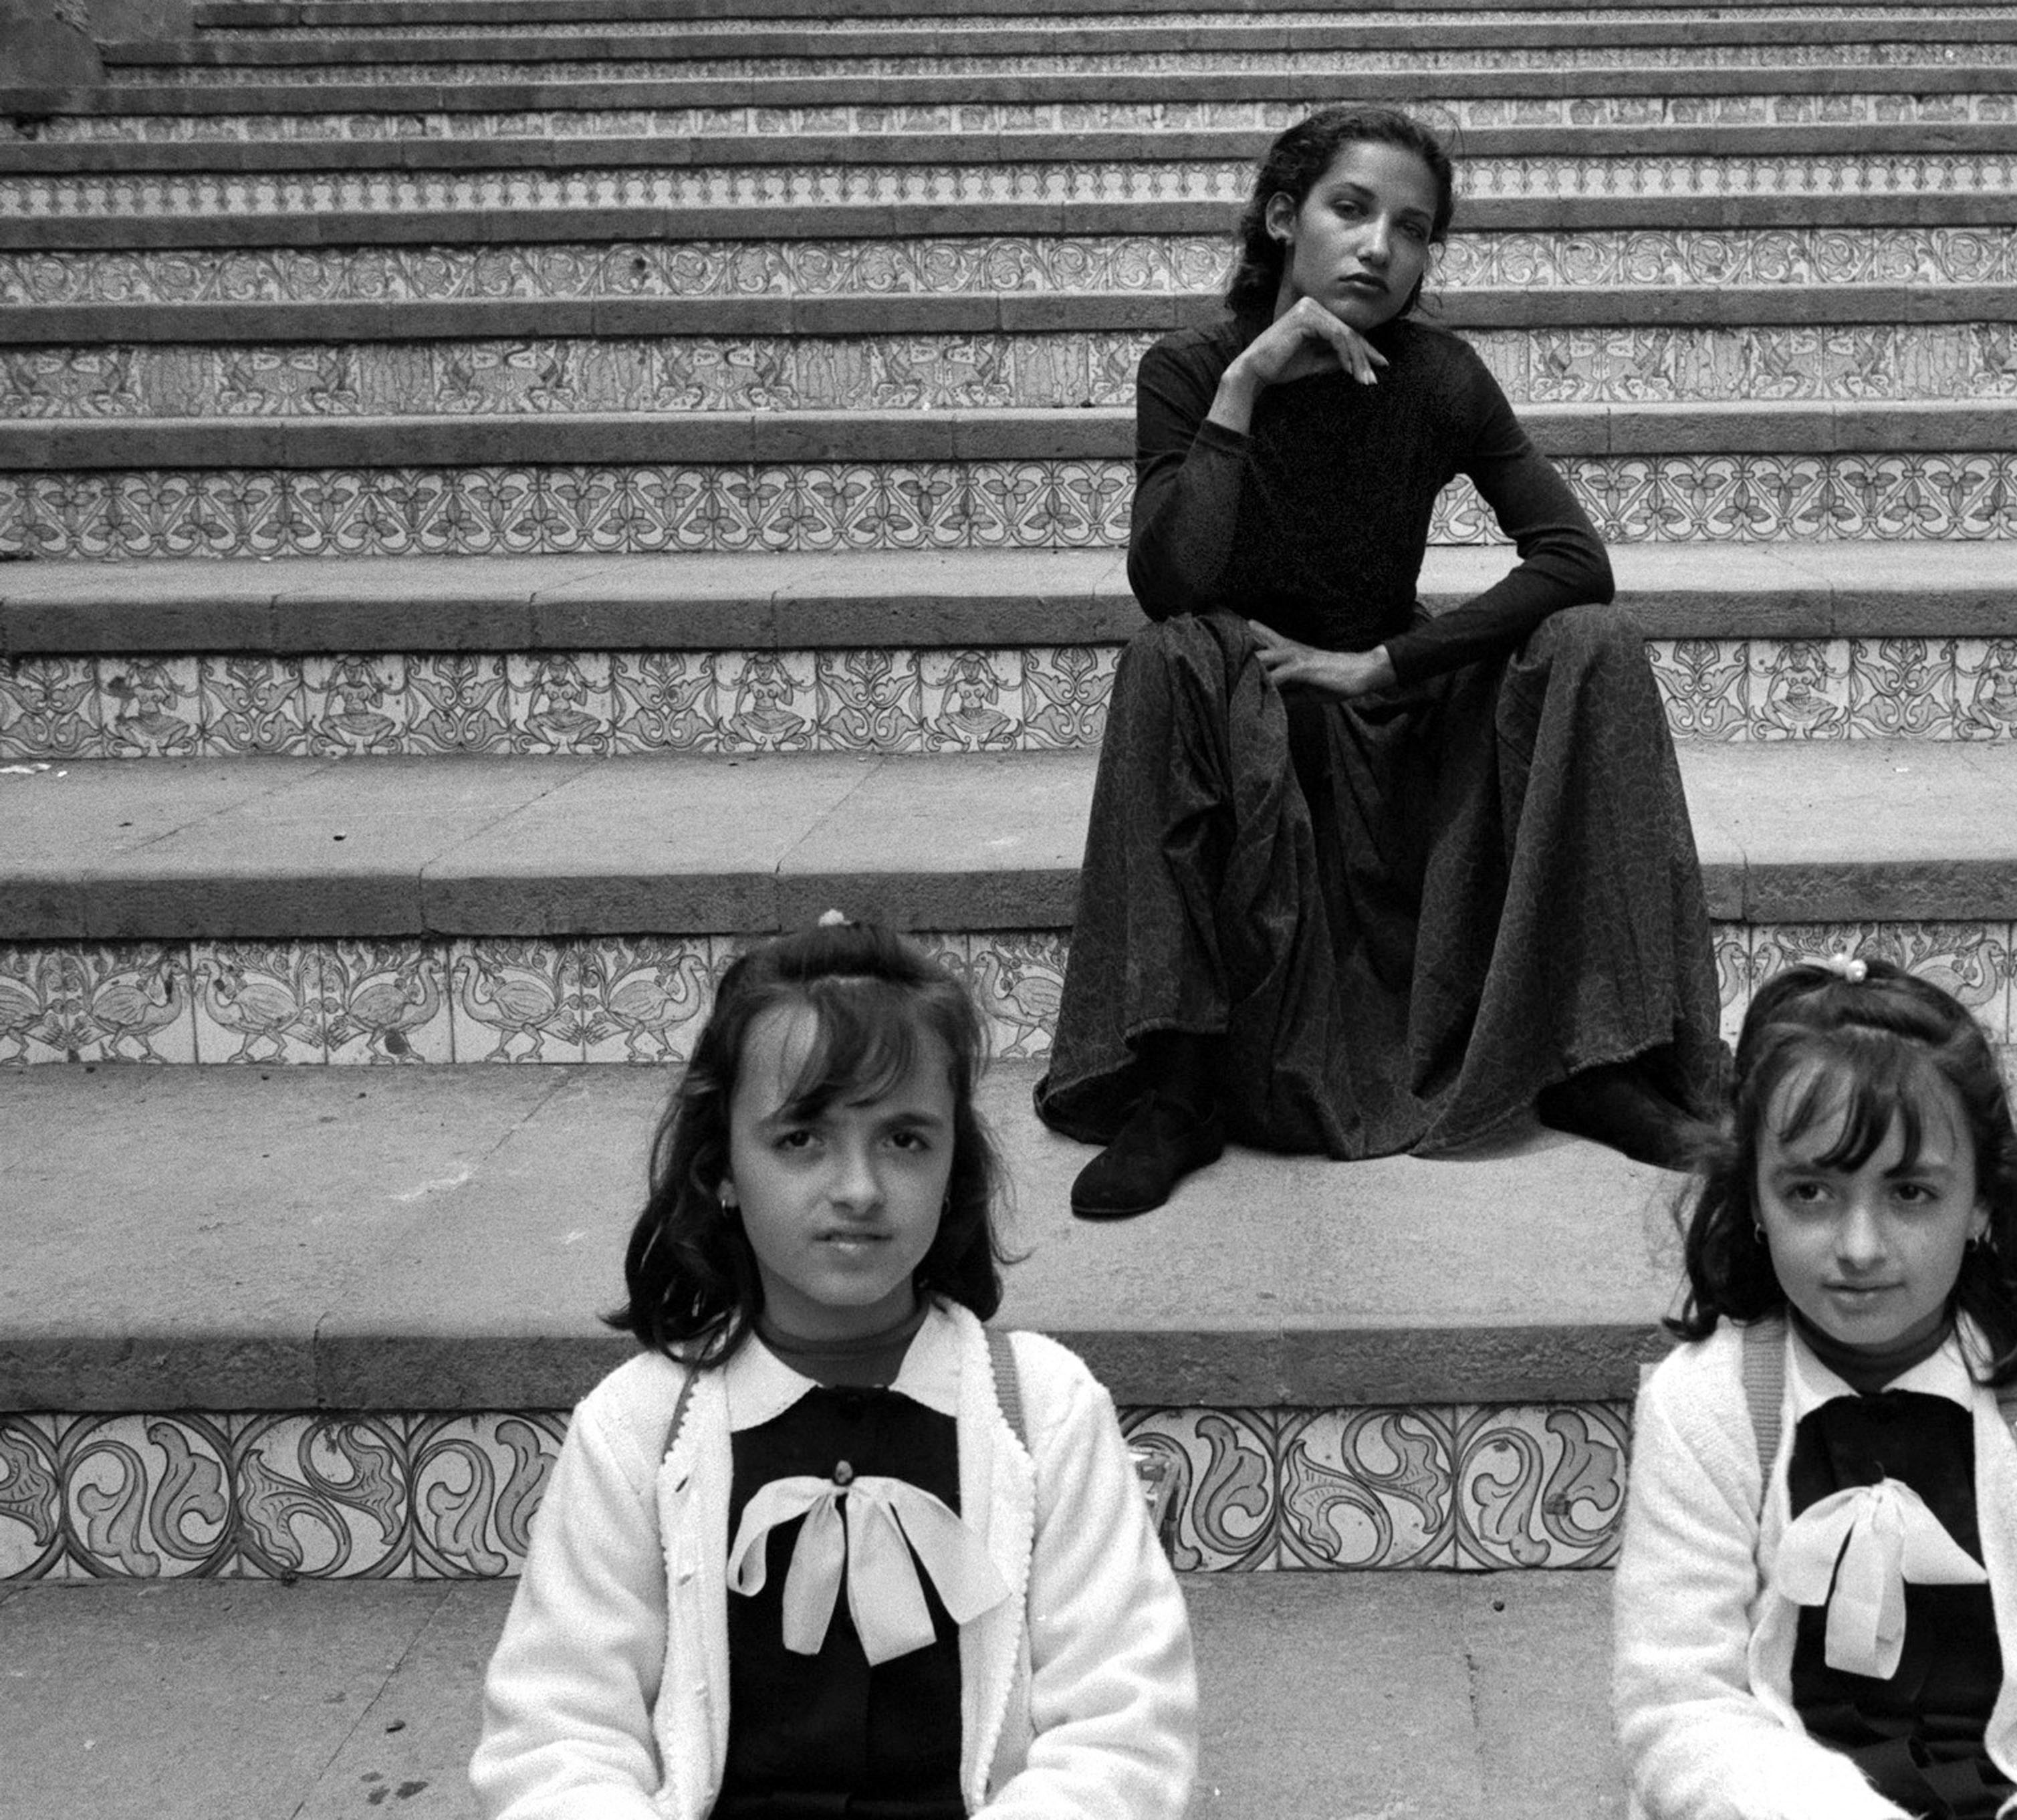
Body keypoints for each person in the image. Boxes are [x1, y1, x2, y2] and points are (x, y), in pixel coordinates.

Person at [1035, 102, 1725, 1219]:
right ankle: (1177, 1081)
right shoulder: (1190, 368)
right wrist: (1245, 385)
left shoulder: (1439, 376)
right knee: (1167, 654)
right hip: (1252, 735)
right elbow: (1171, 579)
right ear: (1279, 217)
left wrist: (1389, 662)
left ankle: (1601, 1056)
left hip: (1398, 732)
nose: (1380, 248)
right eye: (1351, 211)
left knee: (1594, 645)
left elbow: (1572, 557)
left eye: (1412, 229)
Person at [471, 914, 1196, 1820]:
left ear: (952, 1164)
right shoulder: (636, 1432)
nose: (858, 1187)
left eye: (904, 1139)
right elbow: (556, 1738)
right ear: (723, 1165)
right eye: (802, 1138)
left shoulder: (1045, 1414)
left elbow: (1125, 1730)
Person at [1613, 956, 2017, 1820]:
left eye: (1910, 1191)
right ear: (1753, 1197)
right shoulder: (1706, 1404)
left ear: (1980, 1201)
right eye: (1812, 1190)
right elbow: (1678, 1709)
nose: (1859, 1245)